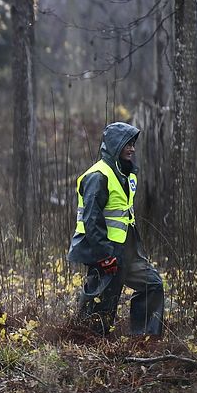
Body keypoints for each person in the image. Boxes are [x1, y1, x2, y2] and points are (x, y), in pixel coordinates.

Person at [67, 122, 165, 336]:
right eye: (127, 144)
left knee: (153, 285)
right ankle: (85, 343)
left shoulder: (128, 175)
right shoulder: (98, 176)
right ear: (113, 145)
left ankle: (145, 340)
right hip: (106, 253)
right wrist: (104, 255)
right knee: (101, 306)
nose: (132, 148)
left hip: (128, 251)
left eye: (133, 144)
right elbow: (91, 219)